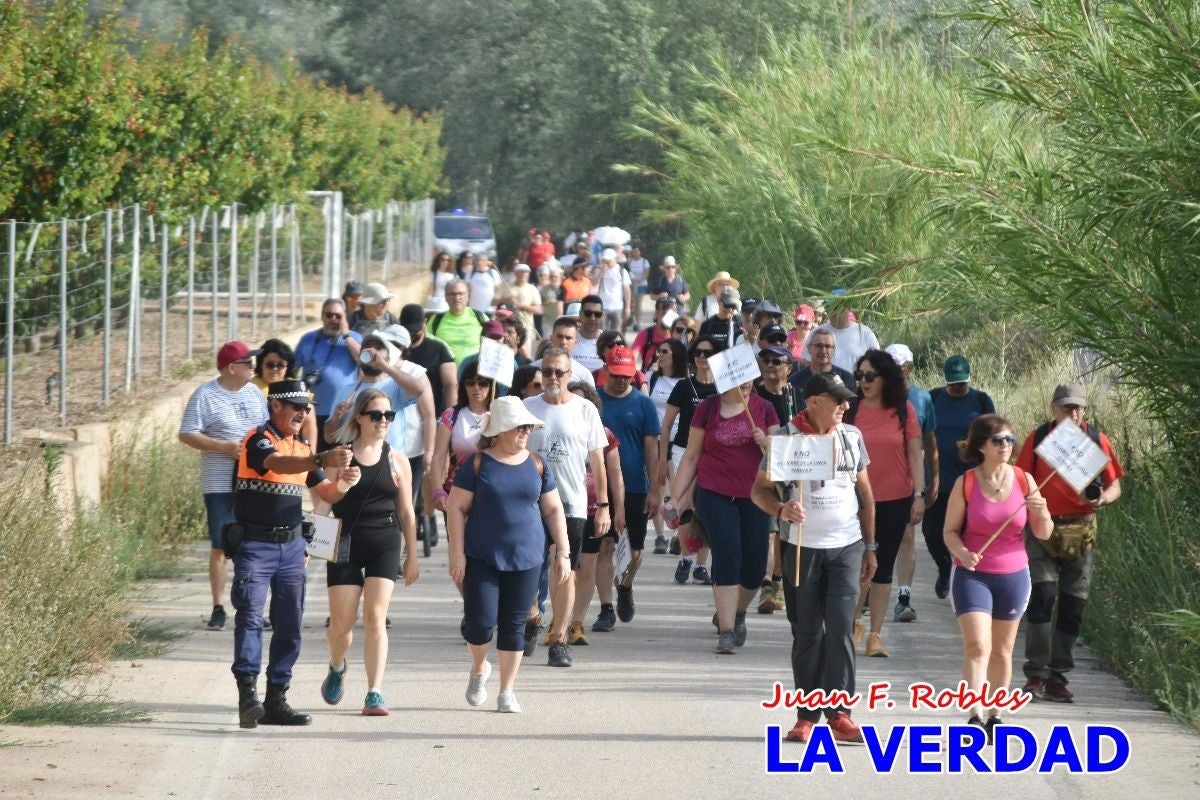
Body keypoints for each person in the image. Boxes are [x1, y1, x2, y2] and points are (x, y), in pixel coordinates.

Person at [750, 372, 876, 744]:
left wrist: (871, 547)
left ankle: (840, 714)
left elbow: (867, 497)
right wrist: (781, 508)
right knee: (807, 633)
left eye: (846, 400)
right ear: (814, 401)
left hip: (847, 547)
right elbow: (759, 491)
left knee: (839, 628)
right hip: (801, 548)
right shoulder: (786, 439)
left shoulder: (851, 438)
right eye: (837, 399)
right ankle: (807, 715)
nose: (845, 406)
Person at [229, 379, 353, 728]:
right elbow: (275, 464)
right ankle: (248, 697)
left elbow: (327, 493)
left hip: (292, 548)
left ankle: (276, 699)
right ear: (276, 406)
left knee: (289, 625)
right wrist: (320, 457)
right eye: (296, 406)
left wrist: (346, 480)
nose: (303, 412)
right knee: (251, 617)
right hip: (256, 546)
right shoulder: (258, 439)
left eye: (307, 407)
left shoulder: (301, 449)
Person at [447, 396, 570, 713]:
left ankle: (507, 691)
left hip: (527, 556)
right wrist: (457, 553)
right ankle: (479, 668)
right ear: (500, 429)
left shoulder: (537, 463)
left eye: (529, 427)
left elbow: (554, 509)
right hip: (481, 554)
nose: (526, 431)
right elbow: (456, 509)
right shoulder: (476, 464)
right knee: (480, 623)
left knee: (514, 624)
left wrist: (563, 552)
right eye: (520, 427)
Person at [943, 414, 1052, 737]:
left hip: (1014, 575)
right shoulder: (967, 482)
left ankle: (995, 713)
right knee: (978, 646)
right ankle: (974, 714)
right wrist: (962, 553)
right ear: (981, 445)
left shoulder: (1024, 480)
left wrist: (1040, 507)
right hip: (972, 575)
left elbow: (1044, 533)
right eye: (998, 440)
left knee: (1003, 651)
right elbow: (949, 532)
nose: (1006, 445)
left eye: (1010, 439)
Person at [1017, 383, 1124, 704]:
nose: (1073, 413)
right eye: (1066, 408)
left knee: (1073, 605)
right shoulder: (1038, 440)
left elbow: (1114, 483)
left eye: (1078, 408)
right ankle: (1036, 673)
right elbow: (1020, 480)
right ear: (1053, 408)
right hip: (1043, 529)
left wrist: (1103, 498)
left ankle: (1058, 677)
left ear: (1085, 410)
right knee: (1043, 598)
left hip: (1082, 530)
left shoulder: (1095, 440)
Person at [320, 390, 419, 717]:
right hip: (346, 539)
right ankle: (337, 666)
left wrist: (412, 556)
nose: (382, 422)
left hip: (385, 540)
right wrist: (310, 546)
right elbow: (324, 502)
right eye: (375, 415)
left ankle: (374, 692)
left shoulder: (397, 460)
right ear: (360, 417)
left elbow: (407, 512)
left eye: (388, 416)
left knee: (376, 616)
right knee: (341, 627)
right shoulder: (341, 457)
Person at [673, 364, 778, 654]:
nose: (745, 383)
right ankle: (728, 630)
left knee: (755, 567)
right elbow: (692, 456)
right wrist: (675, 497)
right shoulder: (707, 408)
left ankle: (737, 611)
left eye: (749, 378)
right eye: (738, 378)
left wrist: (767, 444)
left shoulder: (766, 409)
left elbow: (782, 458)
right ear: (724, 379)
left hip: (756, 495)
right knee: (728, 555)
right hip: (714, 492)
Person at [523, 348, 611, 667]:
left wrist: (603, 506)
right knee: (526, 568)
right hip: (530, 501)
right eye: (548, 372)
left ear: (569, 375)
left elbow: (598, 462)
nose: (553, 378)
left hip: (571, 502)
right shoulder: (526, 408)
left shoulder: (585, 409)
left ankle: (559, 639)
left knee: (564, 570)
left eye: (559, 372)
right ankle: (532, 616)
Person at [179, 340, 268, 631]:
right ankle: (218, 606)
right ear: (232, 367)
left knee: (253, 544)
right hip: (220, 483)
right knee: (221, 544)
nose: (254, 366)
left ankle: (251, 605)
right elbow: (187, 434)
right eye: (248, 362)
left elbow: (266, 429)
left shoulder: (255, 392)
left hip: (253, 482)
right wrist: (224, 447)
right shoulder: (205, 395)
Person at [846, 350, 925, 658]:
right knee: (858, 566)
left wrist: (919, 495)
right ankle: (853, 622)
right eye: (860, 376)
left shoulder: (903, 411)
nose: (863, 382)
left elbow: (915, 455)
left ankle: (875, 634)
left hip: (895, 500)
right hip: (856, 501)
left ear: (885, 378)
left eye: (869, 376)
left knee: (883, 569)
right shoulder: (850, 410)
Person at [595, 346, 661, 628]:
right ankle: (606, 607)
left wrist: (655, 489)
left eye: (627, 376)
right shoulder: (595, 402)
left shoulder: (644, 404)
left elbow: (652, 450)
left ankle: (625, 587)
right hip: (601, 486)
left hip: (635, 486)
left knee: (635, 553)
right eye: (616, 375)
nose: (622, 381)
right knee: (605, 547)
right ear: (606, 371)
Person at [925, 355, 996, 599]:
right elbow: (922, 433)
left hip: (971, 481)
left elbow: (993, 436)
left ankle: (968, 581)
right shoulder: (933, 398)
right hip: (939, 479)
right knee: (932, 533)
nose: (958, 388)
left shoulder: (982, 401)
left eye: (962, 384)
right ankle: (945, 569)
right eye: (953, 384)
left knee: (969, 534)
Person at [883, 343, 938, 624]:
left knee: (906, 537)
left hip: (908, 481)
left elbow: (930, 443)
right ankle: (870, 593)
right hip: (878, 479)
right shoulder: (871, 396)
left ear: (909, 367)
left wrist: (933, 478)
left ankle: (903, 598)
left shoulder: (922, 399)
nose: (895, 369)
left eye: (899, 365)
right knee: (874, 539)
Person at [660, 336, 720, 584]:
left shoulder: (722, 387)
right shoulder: (684, 387)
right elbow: (666, 425)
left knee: (705, 508)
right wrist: (663, 458)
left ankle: (700, 565)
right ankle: (686, 557)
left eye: (707, 353)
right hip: (684, 450)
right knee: (684, 505)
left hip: (713, 453)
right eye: (698, 353)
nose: (702, 358)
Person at [752, 344, 799, 613]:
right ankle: (767, 584)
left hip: (792, 472)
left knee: (782, 532)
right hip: (760, 473)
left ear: (789, 369)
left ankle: (777, 581)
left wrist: (772, 443)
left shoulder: (797, 396)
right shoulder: (753, 395)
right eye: (766, 360)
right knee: (770, 531)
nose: (770, 365)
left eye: (777, 361)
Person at [294, 299, 363, 448]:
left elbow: (363, 361)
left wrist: (346, 335)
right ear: (322, 315)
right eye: (329, 315)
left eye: (338, 316)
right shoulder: (308, 339)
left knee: (339, 461)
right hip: (310, 411)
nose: (333, 319)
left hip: (340, 413)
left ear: (345, 317)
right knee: (310, 457)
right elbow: (292, 369)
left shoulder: (354, 339)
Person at [645, 338, 688, 553]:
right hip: (655, 439)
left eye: (665, 352)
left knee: (676, 490)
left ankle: (677, 534)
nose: (659, 355)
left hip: (678, 441)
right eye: (658, 351)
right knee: (658, 486)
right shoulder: (652, 378)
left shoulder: (685, 382)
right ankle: (660, 536)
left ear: (676, 356)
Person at [252, 339, 317, 447]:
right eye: (270, 365)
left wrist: (312, 456)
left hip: (290, 448)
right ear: (261, 364)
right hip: (258, 445)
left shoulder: (297, 388)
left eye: (280, 365)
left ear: (288, 367)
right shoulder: (249, 388)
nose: (275, 369)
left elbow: (309, 424)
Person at [400, 303, 457, 417]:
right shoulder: (393, 348)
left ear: (425, 323)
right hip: (400, 414)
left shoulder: (438, 349)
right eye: (408, 330)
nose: (411, 334)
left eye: (416, 330)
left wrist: (450, 418)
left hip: (432, 414)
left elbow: (450, 385)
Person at [787, 327, 856, 407]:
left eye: (827, 346)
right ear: (809, 348)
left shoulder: (847, 379)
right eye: (818, 346)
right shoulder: (795, 382)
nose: (823, 351)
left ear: (833, 350)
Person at [428, 280, 486, 364]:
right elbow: (428, 347)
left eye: (461, 293)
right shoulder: (435, 320)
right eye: (452, 294)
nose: (456, 297)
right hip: (444, 375)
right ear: (446, 297)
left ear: (468, 296)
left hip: (474, 375)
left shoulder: (480, 317)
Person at [531, 316, 596, 387]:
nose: (563, 342)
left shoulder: (584, 375)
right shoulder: (531, 370)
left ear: (575, 342)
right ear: (551, 339)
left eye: (568, 338)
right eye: (559, 336)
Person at [815, 306, 879, 374]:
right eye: (831, 307)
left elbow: (877, 362)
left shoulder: (865, 332)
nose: (835, 312)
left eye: (837, 307)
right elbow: (807, 361)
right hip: (825, 383)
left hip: (856, 383)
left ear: (849, 308)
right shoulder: (817, 332)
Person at [497, 263, 542, 339]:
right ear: (515, 273)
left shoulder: (532, 289)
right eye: (521, 272)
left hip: (526, 326)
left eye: (526, 272)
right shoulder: (505, 286)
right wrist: (506, 300)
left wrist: (522, 306)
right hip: (507, 326)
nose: (524, 274)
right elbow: (493, 302)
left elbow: (539, 310)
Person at [631, 297, 677, 370]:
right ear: (657, 313)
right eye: (664, 313)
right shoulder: (645, 334)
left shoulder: (678, 334)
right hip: (649, 377)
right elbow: (632, 358)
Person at [572, 295, 606, 372]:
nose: (592, 318)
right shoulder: (568, 338)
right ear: (580, 314)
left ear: (602, 316)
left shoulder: (609, 341)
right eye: (588, 313)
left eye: (597, 314)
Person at [626, 246, 651, 327]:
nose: (635, 253)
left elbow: (646, 274)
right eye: (634, 251)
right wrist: (632, 280)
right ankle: (632, 319)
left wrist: (638, 279)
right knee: (632, 303)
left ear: (640, 252)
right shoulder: (629, 262)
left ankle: (637, 323)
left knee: (638, 304)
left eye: (637, 251)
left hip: (642, 284)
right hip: (632, 285)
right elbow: (627, 272)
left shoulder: (645, 261)